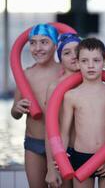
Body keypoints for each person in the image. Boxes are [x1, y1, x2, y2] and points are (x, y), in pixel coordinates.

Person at [60, 38, 105, 188]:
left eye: (96, 60)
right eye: (85, 61)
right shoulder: (71, 96)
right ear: (78, 63)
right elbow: (64, 132)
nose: (90, 65)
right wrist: (60, 157)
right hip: (81, 156)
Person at [10, 23, 61, 188]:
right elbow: (15, 112)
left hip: (61, 143)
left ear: (55, 44)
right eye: (32, 42)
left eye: (44, 42)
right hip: (33, 143)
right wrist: (17, 109)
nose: (37, 47)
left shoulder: (65, 73)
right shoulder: (26, 75)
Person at [45, 33, 81, 188]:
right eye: (67, 53)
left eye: (77, 50)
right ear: (60, 59)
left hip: (88, 152)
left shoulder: (92, 81)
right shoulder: (54, 87)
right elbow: (50, 130)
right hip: (64, 151)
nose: (74, 56)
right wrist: (51, 167)